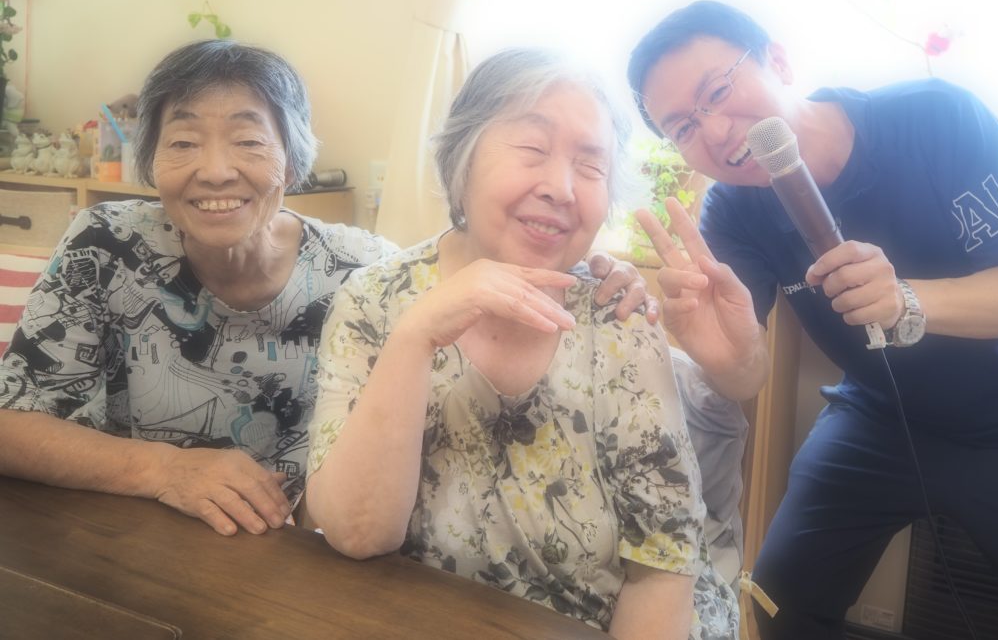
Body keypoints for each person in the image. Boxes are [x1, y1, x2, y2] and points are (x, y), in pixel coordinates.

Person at [0, 40, 654, 539]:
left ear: (293, 160)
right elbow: (11, 427)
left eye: (248, 140)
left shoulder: (363, 274)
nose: (215, 170)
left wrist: (589, 274)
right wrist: (165, 471)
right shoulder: (105, 244)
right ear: (151, 160)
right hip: (122, 541)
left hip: (299, 570)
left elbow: (461, 280)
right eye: (184, 142)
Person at [305, 48, 740, 639]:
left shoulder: (618, 317)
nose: (561, 187)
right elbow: (357, 533)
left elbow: (661, 569)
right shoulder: (375, 301)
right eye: (532, 149)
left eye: (590, 166)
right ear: (462, 160)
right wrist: (415, 336)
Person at [626, 0, 998, 639]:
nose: (717, 132)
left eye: (718, 92)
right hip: (877, 415)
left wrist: (907, 299)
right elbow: (746, 373)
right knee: (778, 605)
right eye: (683, 127)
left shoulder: (936, 117)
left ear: (778, 61)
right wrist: (723, 355)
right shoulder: (732, 211)